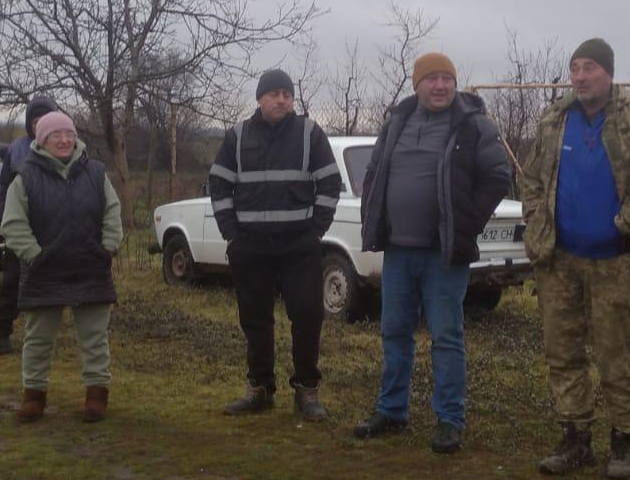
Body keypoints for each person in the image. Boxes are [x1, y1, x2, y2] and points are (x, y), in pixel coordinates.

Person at [519, 38, 630, 479]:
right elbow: (531, 178)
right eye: (574, 67)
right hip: (560, 260)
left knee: (617, 353)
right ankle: (574, 437)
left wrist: (623, 220)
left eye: (589, 67)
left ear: (608, 72)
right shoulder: (555, 118)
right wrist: (537, 221)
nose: (580, 75)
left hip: (615, 261)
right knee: (562, 352)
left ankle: (625, 440)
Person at [352, 52, 511, 454]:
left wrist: (465, 223)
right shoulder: (396, 123)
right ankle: (391, 410)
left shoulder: (474, 125)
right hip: (398, 253)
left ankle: (449, 420)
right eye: (432, 79)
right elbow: (373, 174)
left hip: (444, 255)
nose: (440, 86)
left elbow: (497, 178)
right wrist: (375, 212)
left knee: (446, 336)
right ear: (416, 84)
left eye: (447, 79)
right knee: (394, 333)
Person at [208, 69, 341, 422]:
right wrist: (231, 234)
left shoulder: (309, 134)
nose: (282, 100)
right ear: (259, 99)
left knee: (308, 315)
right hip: (250, 247)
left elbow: (330, 184)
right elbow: (218, 186)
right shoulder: (237, 136)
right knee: (255, 319)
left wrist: (315, 231)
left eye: (287, 94)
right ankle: (260, 388)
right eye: (274, 94)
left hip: (299, 246)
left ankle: (307, 390)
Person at [0, 110, 123, 424]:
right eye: (56, 135)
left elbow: (112, 212)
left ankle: (96, 395)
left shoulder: (95, 172)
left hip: (90, 266)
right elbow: (12, 223)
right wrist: (33, 255)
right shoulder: (24, 177)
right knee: (38, 338)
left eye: (69, 134)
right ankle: (34, 396)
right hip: (45, 270)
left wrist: (108, 248)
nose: (65, 140)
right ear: (42, 141)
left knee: (95, 338)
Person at [0, 94, 61, 361]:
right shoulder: (16, 151)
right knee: (12, 283)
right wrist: (5, 223)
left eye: (45, 119)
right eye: (35, 120)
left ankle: (63, 340)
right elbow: (6, 189)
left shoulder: (66, 146)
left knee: (68, 285)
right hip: (22, 230)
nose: (39, 124)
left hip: (59, 230)